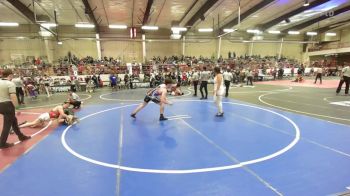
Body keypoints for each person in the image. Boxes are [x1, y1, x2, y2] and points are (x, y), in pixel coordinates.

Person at [0, 69, 31, 149]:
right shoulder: (10, 83)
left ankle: (21, 136)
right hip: (7, 106)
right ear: (10, 75)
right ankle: (2, 143)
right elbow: (13, 96)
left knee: (14, 121)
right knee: (7, 125)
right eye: (12, 75)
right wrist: (17, 108)